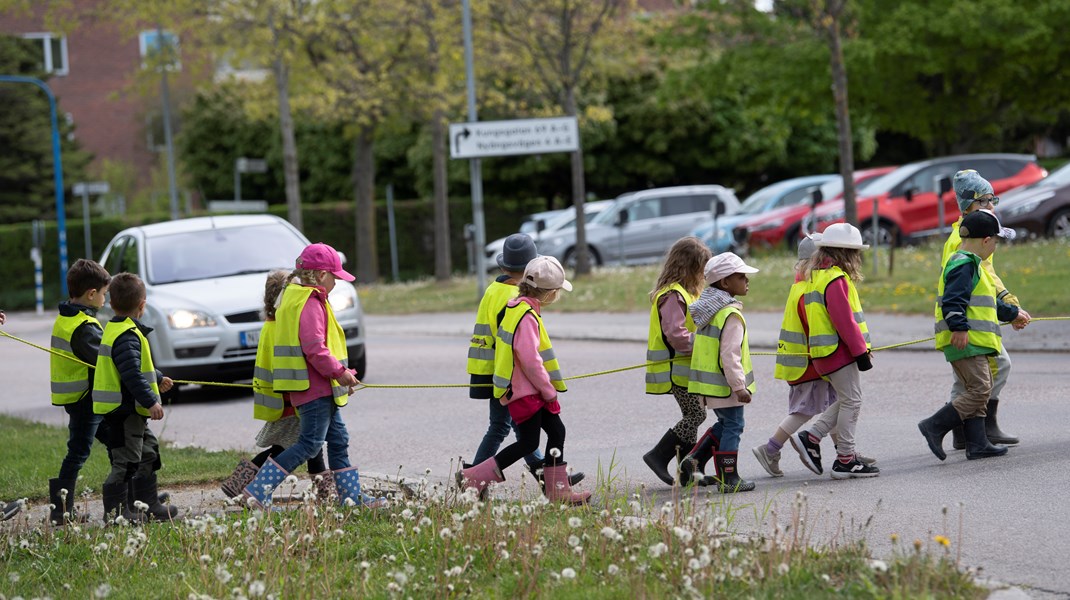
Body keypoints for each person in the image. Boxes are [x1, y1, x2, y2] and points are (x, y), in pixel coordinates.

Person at [242, 243, 383, 509]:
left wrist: (340, 376)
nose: (336, 283)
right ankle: (257, 491)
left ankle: (352, 499)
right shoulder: (309, 302)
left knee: (339, 440)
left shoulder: (296, 298)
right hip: (315, 388)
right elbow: (315, 348)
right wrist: (339, 373)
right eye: (335, 277)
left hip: (321, 386)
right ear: (320, 275)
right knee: (308, 444)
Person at [459, 256, 590, 505]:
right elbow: (530, 359)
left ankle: (556, 489)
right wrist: (547, 389)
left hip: (523, 389)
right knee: (529, 441)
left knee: (554, 431)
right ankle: (475, 476)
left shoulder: (515, 306)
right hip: (527, 392)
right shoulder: (527, 315)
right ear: (550, 293)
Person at [753, 235, 876, 477]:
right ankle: (776, 448)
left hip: (814, 358)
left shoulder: (804, 284)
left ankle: (844, 451)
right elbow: (830, 324)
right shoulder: (818, 284)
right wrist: (858, 350)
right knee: (808, 409)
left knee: (837, 402)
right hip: (815, 359)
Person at [919, 209, 1027, 460]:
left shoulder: (972, 264)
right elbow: (953, 300)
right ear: (987, 240)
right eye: (997, 242)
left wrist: (1013, 314)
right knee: (980, 390)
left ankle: (977, 443)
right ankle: (934, 426)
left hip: (976, 341)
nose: (995, 247)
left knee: (980, 387)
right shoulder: (964, 263)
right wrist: (958, 327)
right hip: (967, 340)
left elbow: (989, 302)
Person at [219, 270, 332, 501]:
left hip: (289, 399)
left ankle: (324, 492)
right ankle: (240, 484)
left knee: (313, 446)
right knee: (288, 448)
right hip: (292, 400)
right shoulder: (281, 328)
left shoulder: (270, 325)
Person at [941, 170, 1030, 450]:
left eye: (993, 199)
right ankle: (978, 427)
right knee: (995, 367)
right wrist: (1007, 309)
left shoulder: (975, 230)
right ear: (968, 205)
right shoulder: (965, 239)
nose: (992, 205)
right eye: (986, 200)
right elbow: (970, 283)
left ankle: (965, 432)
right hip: (970, 322)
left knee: (966, 379)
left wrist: (1005, 296)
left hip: (972, 320)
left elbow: (988, 274)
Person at [788, 223, 880, 479]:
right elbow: (844, 321)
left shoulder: (816, 276)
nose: (858, 257)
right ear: (845, 253)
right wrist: (860, 352)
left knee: (845, 399)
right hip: (838, 352)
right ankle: (845, 459)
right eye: (855, 252)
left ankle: (812, 436)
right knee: (853, 401)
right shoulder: (835, 279)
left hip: (823, 353)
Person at [93, 272, 180, 522]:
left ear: (112, 303)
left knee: (148, 452)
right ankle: (117, 514)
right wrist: (150, 401)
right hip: (122, 412)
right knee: (126, 462)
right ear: (142, 305)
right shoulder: (126, 335)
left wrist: (158, 376)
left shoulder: (123, 330)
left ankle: (146, 503)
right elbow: (130, 374)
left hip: (131, 412)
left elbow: (136, 366)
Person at [684, 252, 759, 492]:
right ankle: (728, 477)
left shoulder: (708, 311)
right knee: (734, 426)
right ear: (725, 283)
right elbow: (730, 355)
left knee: (725, 424)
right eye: (741, 276)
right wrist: (739, 386)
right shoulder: (730, 314)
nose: (747, 281)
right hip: (727, 386)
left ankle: (693, 461)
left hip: (710, 385)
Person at [642, 237, 712, 486]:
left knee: (694, 415)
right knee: (695, 415)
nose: (703, 275)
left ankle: (688, 472)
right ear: (689, 267)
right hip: (675, 369)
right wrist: (707, 344)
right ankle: (658, 456)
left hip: (686, 369)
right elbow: (677, 336)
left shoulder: (686, 294)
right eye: (701, 269)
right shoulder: (672, 295)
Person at [47, 259, 111, 525]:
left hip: (82, 399)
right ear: (91, 294)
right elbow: (104, 361)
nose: (106, 299)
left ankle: (131, 497)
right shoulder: (83, 327)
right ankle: (60, 512)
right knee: (79, 452)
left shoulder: (67, 317)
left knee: (119, 444)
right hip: (86, 400)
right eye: (104, 294)